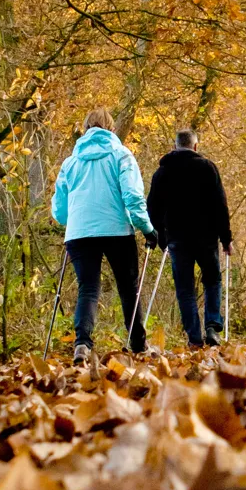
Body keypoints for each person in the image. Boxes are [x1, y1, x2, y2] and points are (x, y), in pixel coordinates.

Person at [52, 108, 157, 363]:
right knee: (128, 287)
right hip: (117, 230)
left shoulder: (70, 163)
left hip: (79, 233)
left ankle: (82, 345)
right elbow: (132, 197)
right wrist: (147, 228)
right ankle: (138, 343)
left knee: (88, 288)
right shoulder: (121, 155)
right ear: (111, 128)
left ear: (85, 129)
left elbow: (59, 208)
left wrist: (72, 222)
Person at [146, 129, 232, 348]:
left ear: (175, 146)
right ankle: (212, 325)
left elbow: (152, 209)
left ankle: (194, 337)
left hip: (177, 239)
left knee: (185, 289)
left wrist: (159, 237)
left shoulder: (162, 173)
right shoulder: (208, 168)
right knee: (212, 280)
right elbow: (220, 206)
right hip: (206, 237)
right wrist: (226, 239)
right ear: (195, 146)